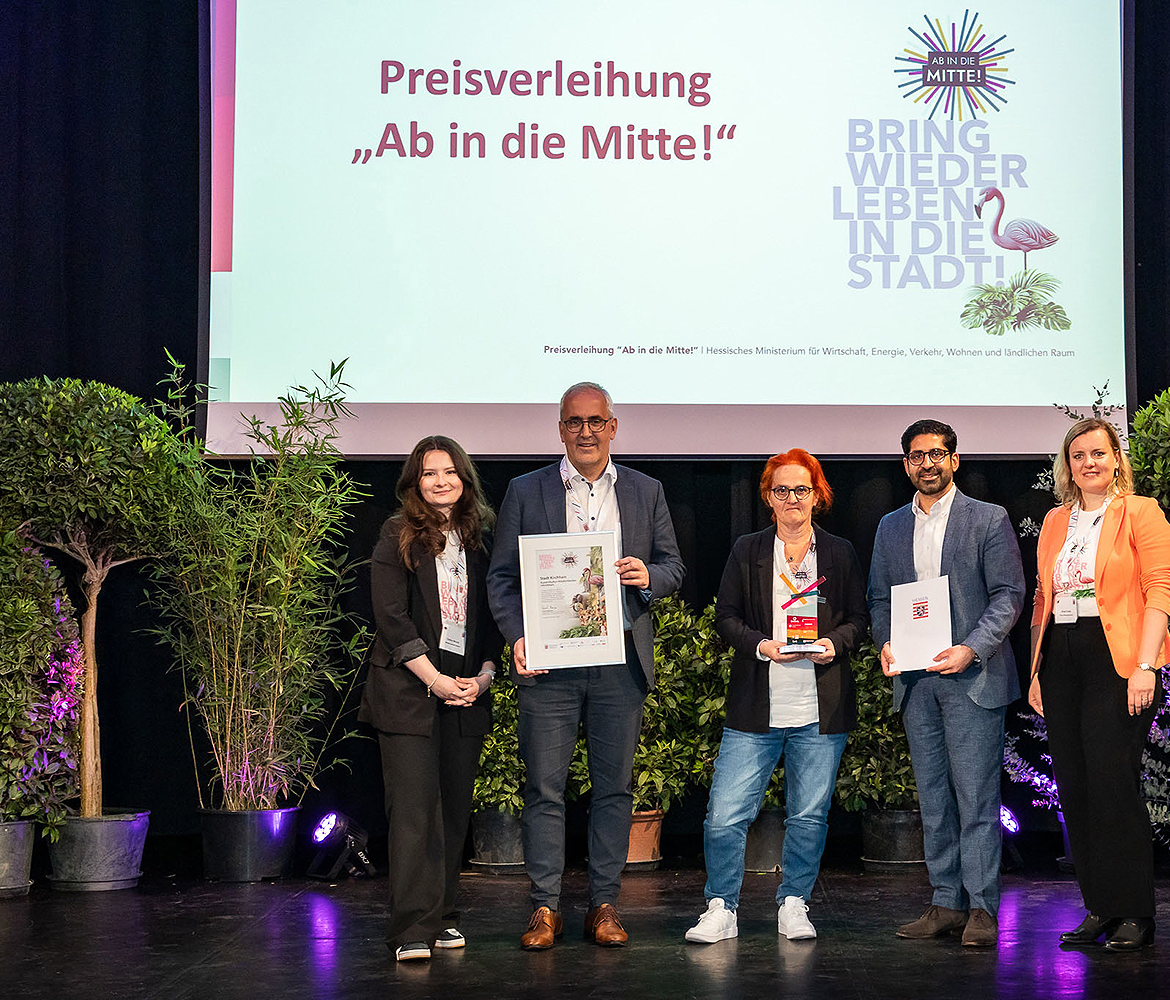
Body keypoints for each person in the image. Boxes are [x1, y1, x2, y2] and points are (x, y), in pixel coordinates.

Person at [487, 382, 685, 950]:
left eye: (596, 421)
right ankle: (543, 908)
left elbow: (673, 567)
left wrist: (647, 577)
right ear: (560, 430)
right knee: (544, 789)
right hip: (549, 666)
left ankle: (604, 904)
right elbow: (502, 578)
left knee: (614, 790)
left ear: (613, 427)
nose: (586, 432)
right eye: (574, 422)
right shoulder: (526, 490)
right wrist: (518, 636)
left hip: (618, 660)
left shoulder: (645, 491)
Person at [685, 450, 869, 945]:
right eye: (781, 490)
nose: (792, 498)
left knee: (808, 816)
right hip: (756, 705)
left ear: (817, 495)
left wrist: (835, 643)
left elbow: (859, 617)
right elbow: (725, 617)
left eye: (801, 489)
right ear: (768, 497)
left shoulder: (839, 553)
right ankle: (721, 907)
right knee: (724, 816)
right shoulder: (748, 550)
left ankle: (794, 902)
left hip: (820, 706)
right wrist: (760, 645)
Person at [867, 419, 1025, 948]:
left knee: (976, 798)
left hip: (972, 678)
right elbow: (880, 599)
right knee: (933, 799)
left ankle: (981, 907)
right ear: (905, 464)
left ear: (954, 460)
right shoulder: (890, 526)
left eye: (937, 453)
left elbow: (1008, 595)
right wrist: (886, 642)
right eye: (917, 456)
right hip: (916, 682)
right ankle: (945, 902)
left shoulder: (988, 518)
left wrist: (971, 648)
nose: (927, 463)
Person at [1027, 418, 1170, 952]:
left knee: (1114, 786)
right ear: (1067, 467)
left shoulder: (1141, 511)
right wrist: (1036, 670)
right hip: (1061, 658)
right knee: (1075, 787)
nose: (1088, 463)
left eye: (1098, 453)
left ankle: (1134, 912)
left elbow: (1161, 589)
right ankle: (1099, 907)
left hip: (1117, 658)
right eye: (1078, 456)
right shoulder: (1054, 520)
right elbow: (1043, 600)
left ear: (1116, 459)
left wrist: (1145, 665)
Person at [359, 436, 503, 962]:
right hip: (409, 692)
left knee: (453, 811)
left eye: (449, 472)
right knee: (415, 813)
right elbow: (391, 619)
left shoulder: (481, 541)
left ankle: (443, 917)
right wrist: (435, 680)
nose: (441, 481)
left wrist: (484, 676)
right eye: (429, 473)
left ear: (464, 478)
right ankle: (411, 929)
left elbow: (491, 620)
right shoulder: (396, 534)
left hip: (466, 689)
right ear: (414, 483)